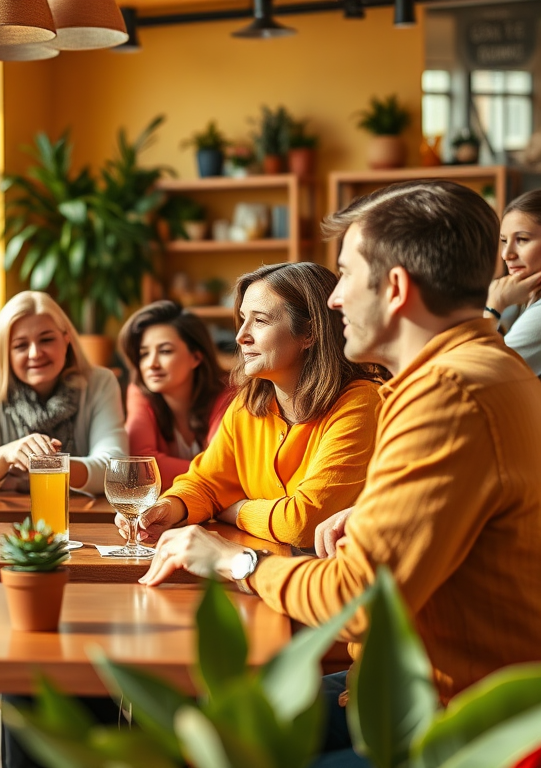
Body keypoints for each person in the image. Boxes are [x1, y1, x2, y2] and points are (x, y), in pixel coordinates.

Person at [141, 180, 541, 768]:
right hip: (401, 690)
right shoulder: (483, 370)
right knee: (199, 726)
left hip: (452, 727)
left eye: (347, 275)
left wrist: (233, 560)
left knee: (194, 746)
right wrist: (375, 512)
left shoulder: (447, 395)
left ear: (397, 289)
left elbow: (355, 600)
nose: (334, 301)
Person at [125, 262, 380, 550]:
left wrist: (235, 510)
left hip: (336, 583)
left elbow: (303, 523)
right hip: (259, 570)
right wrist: (171, 508)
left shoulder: (359, 404)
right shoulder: (248, 405)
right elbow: (207, 482)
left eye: (260, 321)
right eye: (243, 319)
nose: (241, 336)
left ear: (309, 333)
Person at [0, 290, 128, 497]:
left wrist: (48, 465)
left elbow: (117, 470)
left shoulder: (100, 383)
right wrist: (5, 455)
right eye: (20, 345)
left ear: (66, 339)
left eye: (46, 340)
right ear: (5, 353)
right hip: (5, 522)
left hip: (81, 518)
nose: (35, 353)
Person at [117, 300, 233, 491]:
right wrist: (208, 473)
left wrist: (215, 473)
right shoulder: (139, 391)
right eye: (144, 354)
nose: (151, 364)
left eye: (165, 351)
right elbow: (139, 464)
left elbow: (223, 467)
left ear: (196, 357)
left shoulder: (229, 393)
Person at [484, 189, 541, 375]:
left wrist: (493, 306)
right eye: (504, 241)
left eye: (522, 239)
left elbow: (481, 370)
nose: (506, 254)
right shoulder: (519, 295)